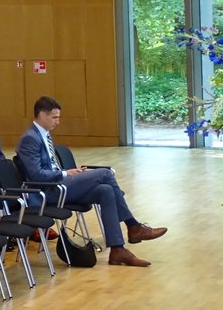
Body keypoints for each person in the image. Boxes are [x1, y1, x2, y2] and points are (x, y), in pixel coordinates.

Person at [18, 96, 166, 267]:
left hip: (60, 185)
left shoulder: (44, 135)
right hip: (49, 192)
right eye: (54, 117)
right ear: (42, 115)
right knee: (105, 173)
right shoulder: (30, 138)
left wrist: (71, 173)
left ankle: (118, 250)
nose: (58, 122)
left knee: (106, 191)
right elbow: (36, 175)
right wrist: (66, 173)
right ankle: (133, 226)